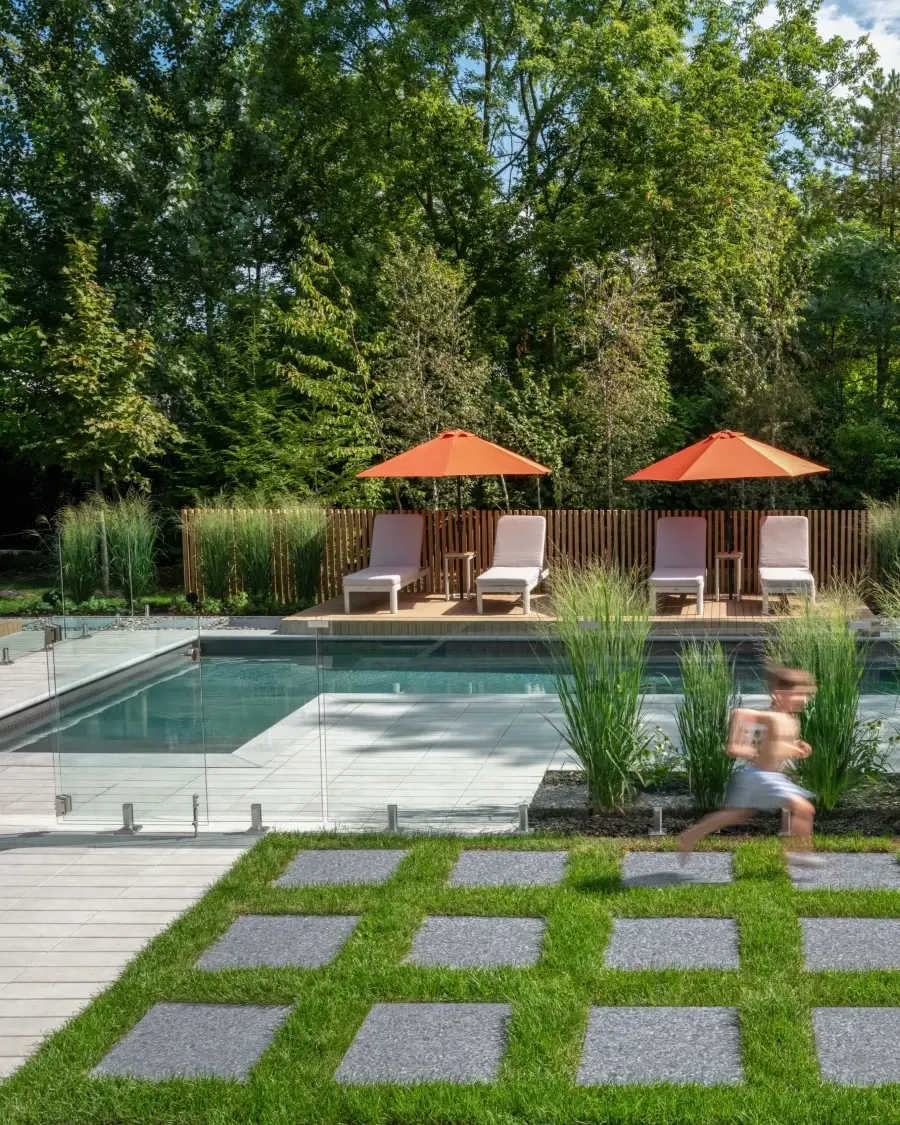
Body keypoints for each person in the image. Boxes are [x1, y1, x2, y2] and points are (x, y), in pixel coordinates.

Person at [678, 664, 823, 867]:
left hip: (761, 777)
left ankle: (690, 835)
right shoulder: (773, 717)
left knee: (736, 815)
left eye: (807, 695)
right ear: (782, 694)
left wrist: (796, 746)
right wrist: (736, 744)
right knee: (803, 807)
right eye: (800, 695)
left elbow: (775, 745)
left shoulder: (791, 720)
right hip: (760, 776)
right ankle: (798, 853)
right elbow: (740, 713)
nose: (805, 700)